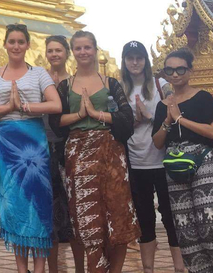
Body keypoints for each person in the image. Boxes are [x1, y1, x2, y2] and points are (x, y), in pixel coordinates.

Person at [0, 24, 61, 273]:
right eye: (11, 41)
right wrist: (5, 108)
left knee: (38, 202)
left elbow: (55, 104)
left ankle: (40, 268)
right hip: (7, 146)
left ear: (27, 45)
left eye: (20, 41)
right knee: (14, 205)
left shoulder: (39, 73)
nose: (15, 46)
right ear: (4, 44)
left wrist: (25, 106)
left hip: (33, 145)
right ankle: (22, 268)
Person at [152, 49, 213, 273]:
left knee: (211, 222)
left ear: (190, 71)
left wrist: (180, 119)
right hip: (176, 166)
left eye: (180, 69)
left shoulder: (202, 97)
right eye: (170, 70)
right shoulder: (162, 105)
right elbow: (157, 142)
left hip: (205, 161)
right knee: (186, 228)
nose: (175, 74)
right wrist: (167, 119)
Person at [51, 30, 137, 273]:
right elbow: (55, 122)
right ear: (72, 52)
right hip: (78, 155)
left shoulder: (110, 83)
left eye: (87, 47)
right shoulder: (65, 86)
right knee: (87, 218)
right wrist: (79, 115)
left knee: (118, 214)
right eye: (78, 48)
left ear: (95, 49)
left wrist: (97, 114)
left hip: (111, 152)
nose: (83, 52)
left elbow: (126, 119)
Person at [119, 41, 183, 273]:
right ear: (124, 61)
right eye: (130, 58)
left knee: (170, 215)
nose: (135, 62)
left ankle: (179, 268)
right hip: (135, 161)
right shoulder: (119, 89)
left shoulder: (160, 84)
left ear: (146, 61)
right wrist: (134, 121)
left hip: (162, 158)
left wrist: (149, 116)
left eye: (139, 57)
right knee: (144, 218)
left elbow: (173, 108)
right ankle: (148, 269)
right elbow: (117, 124)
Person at [42, 36, 83, 273]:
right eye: (50, 51)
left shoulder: (75, 81)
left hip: (70, 150)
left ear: (67, 53)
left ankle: (79, 268)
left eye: (58, 50)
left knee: (74, 215)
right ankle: (53, 269)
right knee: (50, 216)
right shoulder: (39, 79)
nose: (54, 54)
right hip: (44, 149)